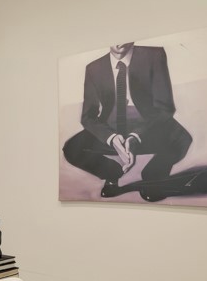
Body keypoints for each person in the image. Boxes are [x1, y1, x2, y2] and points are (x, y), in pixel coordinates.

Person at [62, 42, 191, 202]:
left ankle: (153, 176)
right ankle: (112, 173)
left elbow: (165, 108)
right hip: (110, 126)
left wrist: (136, 136)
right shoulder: (94, 68)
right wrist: (111, 138)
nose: (119, 42)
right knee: (72, 149)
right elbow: (88, 117)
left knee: (182, 139)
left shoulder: (153, 55)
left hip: (147, 124)